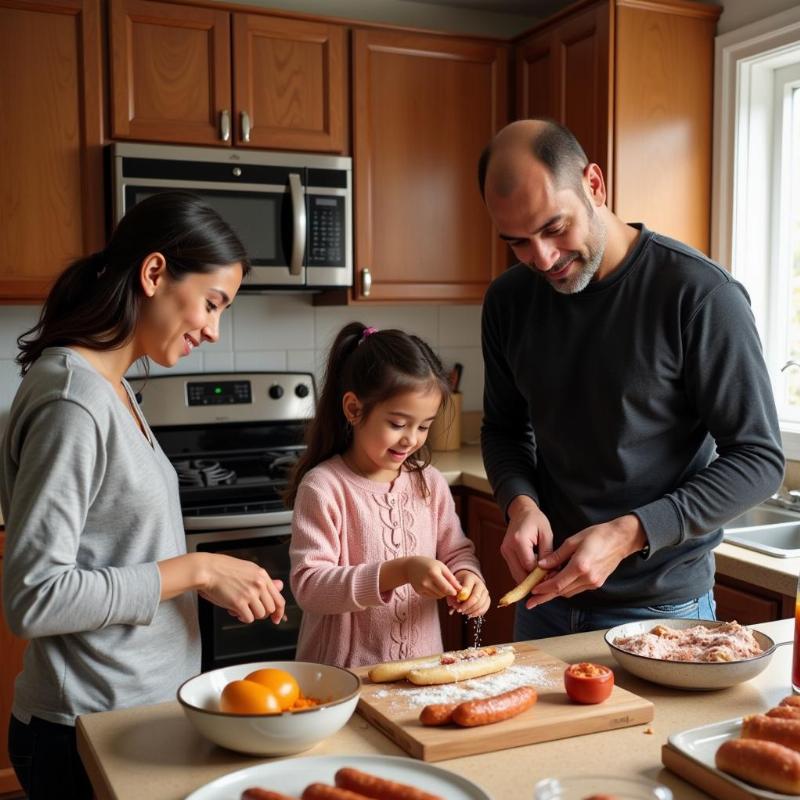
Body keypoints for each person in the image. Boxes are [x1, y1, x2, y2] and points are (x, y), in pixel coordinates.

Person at [1, 191, 287, 799]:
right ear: (154, 273)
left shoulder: (114, 386)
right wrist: (198, 570)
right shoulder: (72, 401)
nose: (213, 329)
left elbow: (120, 551)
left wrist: (212, 581)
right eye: (212, 304)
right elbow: (34, 598)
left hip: (137, 714)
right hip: (84, 731)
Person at [477, 118, 784, 640]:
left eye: (554, 228)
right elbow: (504, 428)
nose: (543, 258)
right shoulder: (509, 301)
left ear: (594, 184)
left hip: (662, 613)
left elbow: (759, 459)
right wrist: (519, 501)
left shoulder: (699, 296)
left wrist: (630, 532)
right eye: (518, 243)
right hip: (544, 601)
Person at [286, 322, 490, 668]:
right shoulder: (324, 488)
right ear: (353, 409)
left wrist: (470, 579)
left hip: (422, 667)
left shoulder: (430, 483)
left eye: (424, 426)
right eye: (398, 424)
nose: (412, 439)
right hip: (345, 678)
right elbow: (310, 586)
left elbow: (457, 552)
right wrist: (399, 571)